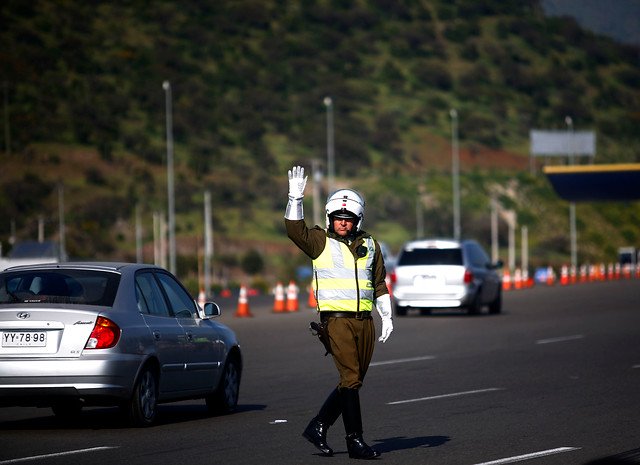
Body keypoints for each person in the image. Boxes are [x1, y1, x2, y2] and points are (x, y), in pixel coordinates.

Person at [284, 165, 393, 459]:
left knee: (352, 380)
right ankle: (355, 441)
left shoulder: (370, 245)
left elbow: (379, 282)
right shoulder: (320, 242)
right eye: (337, 218)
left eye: (348, 219)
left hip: (364, 322)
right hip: (336, 321)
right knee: (351, 379)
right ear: (330, 219)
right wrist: (295, 199)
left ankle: (318, 426)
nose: (342, 223)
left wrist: (387, 316)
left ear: (357, 220)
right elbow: (295, 231)